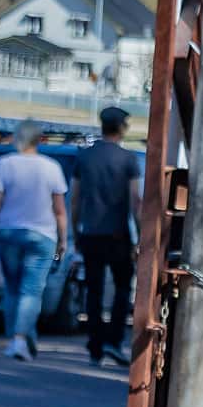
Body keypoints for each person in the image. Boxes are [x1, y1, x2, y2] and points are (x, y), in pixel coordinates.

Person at [0, 123, 67, 361]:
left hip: (9, 232)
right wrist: (63, 240)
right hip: (43, 235)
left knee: (13, 288)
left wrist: (2, 210)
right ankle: (22, 339)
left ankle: (18, 339)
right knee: (31, 289)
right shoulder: (52, 167)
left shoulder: (4, 163)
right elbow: (59, 209)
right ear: (39, 140)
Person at [66, 105, 141, 364]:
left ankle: (95, 346)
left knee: (94, 291)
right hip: (118, 234)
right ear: (121, 129)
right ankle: (114, 340)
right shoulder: (128, 159)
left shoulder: (84, 158)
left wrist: (76, 231)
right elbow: (135, 201)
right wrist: (140, 237)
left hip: (91, 233)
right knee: (122, 288)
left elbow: (75, 200)